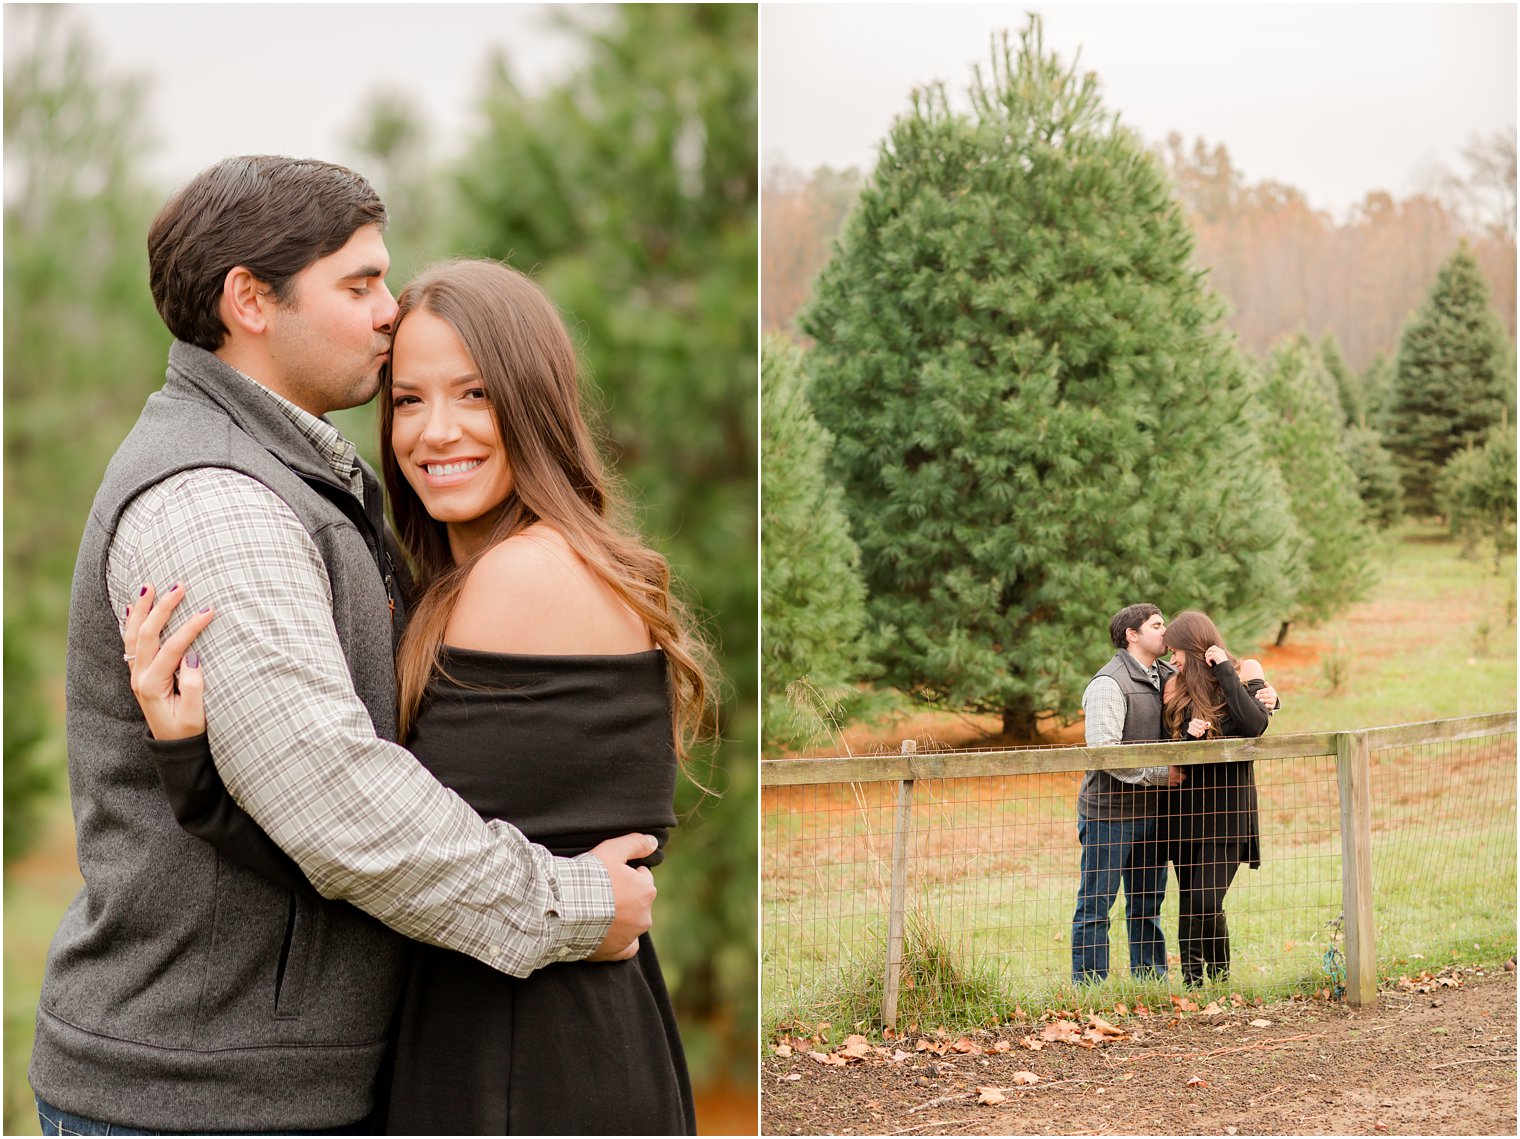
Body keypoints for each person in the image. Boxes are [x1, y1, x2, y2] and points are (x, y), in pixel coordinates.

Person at [29, 156, 659, 1137]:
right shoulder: (217, 500)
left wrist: (198, 767)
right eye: (359, 282)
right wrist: (573, 903)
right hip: (202, 1097)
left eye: (475, 394)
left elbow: (350, 787)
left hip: (476, 1056)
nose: (385, 307)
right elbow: (334, 798)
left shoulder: (327, 491)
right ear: (248, 299)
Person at [1071, 604, 1276, 985]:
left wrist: (1264, 689)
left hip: (1160, 813)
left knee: (1149, 905)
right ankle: (1089, 986)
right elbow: (1105, 753)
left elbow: (1242, 701)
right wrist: (1163, 769)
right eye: (1157, 626)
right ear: (1132, 635)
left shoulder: (1170, 674)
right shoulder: (1109, 683)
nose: (1166, 634)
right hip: (1112, 812)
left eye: (1168, 627)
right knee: (1097, 905)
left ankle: (1153, 980)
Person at [1159, 609, 1272, 988]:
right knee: (1192, 901)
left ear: (1194, 647)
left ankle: (1219, 975)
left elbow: (1254, 724)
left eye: (1175, 650)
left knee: (1205, 901)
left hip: (1228, 811)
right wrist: (1187, 738)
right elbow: (1169, 749)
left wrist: (1223, 669)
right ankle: (1197, 982)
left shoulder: (1242, 671)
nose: (1171, 657)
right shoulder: (1174, 686)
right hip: (1185, 811)